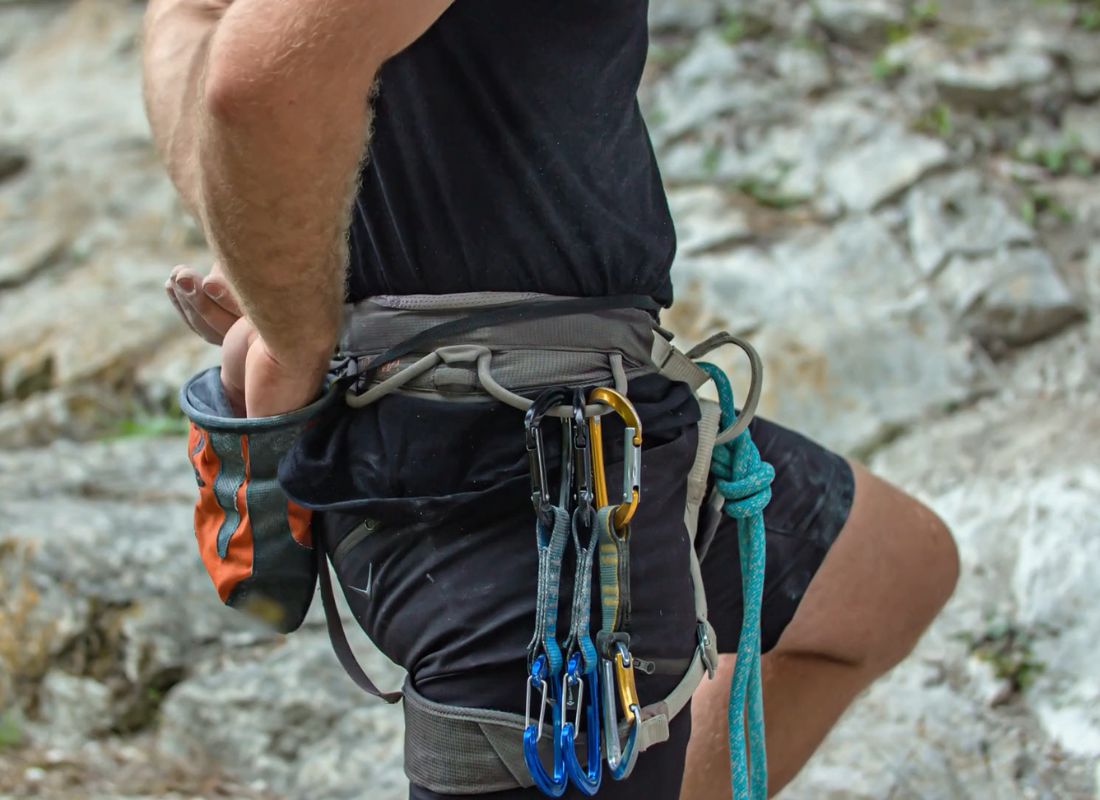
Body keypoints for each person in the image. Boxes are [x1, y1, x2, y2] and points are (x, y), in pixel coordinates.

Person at [143, 2, 960, 798]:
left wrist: (276, 272)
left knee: (895, 573)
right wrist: (296, 331)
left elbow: (190, 25)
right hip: (521, 486)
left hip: (570, 438)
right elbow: (255, 80)